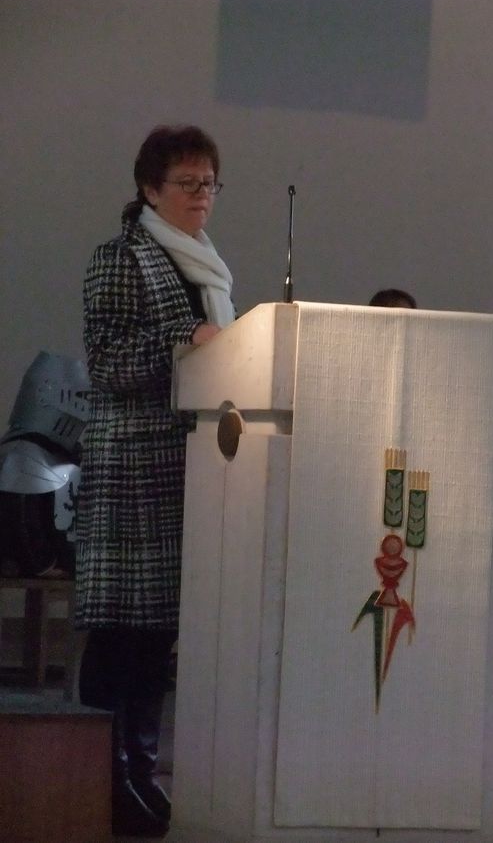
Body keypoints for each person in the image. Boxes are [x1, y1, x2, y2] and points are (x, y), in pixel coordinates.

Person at [75, 125, 235, 837]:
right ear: (149, 188)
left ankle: (140, 767)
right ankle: (103, 774)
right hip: (134, 468)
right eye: (188, 184)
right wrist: (184, 344)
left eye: (210, 184)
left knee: (157, 635)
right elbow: (106, 363)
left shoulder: (205, 266)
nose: (202, 196)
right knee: (125, 634)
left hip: (183, 466)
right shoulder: (121, 258)